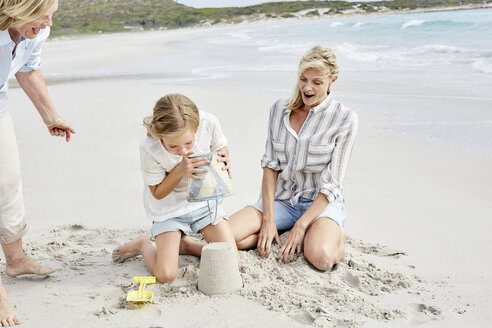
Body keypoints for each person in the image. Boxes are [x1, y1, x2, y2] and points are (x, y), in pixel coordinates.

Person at [229, 46, 358, 271]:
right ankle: (285, 228)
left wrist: (301, 225)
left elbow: (332, 185)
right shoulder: (279, 110)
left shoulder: (345, 119)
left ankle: (330, 233)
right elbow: (270, 166)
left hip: (320, 203)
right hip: (282, 200)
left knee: (322, 259)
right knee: (227, 236)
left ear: (332, 80)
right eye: (303, 79)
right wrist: (268, 219)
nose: (307, 88)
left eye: (317, 82)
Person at [0, 0, 76, 325]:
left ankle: (15, 259)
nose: (47, 22)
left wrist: (50, 116)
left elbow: (28, 67)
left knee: (8, 180)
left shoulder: (34, 31)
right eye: (41, 14)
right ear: (17, 8)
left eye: (52, 14)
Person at [112, 93, 240, 283]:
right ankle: (143, 244)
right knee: (166, 275)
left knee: (232, 262)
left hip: (204, 201)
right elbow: (157, 193)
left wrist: (224, 157)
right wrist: (179, 171)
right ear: (160, 136)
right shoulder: (149, 147)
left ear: (196, 128)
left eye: (189, 143)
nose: (183, 151)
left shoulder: (208, 123)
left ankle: (186, 246)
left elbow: (221, 147)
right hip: (169, 208)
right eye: (173, 146)